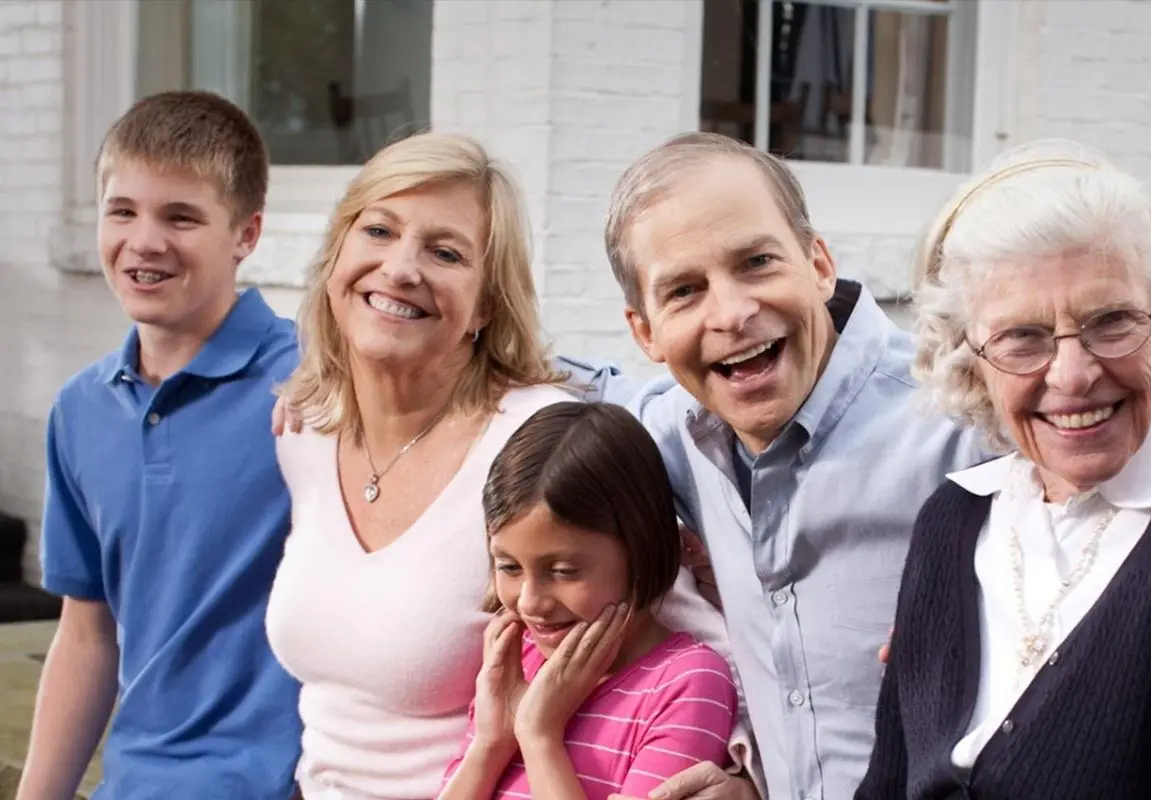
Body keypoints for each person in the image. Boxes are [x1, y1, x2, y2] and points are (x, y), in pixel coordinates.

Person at [263, 132, 741, 800]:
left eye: (445, 252)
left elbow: (682, 632)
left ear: (487, 303)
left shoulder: (532, 438)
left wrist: (744, 778)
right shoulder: (307, 431)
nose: (401, 269)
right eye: (378, 230)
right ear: (337, 253)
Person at [596, 132, 990, 800]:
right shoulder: (669, 433)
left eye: (756, 262)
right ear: (646, 332)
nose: (732, 312)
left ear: (819, 264)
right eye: (685, 291)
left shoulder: (965, 418)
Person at [855, 143, 1151, 798]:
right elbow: (887, 784)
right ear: (967, 357)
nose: (1073, 373)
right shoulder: (954, 519)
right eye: (1023, 337)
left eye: (1112, 321)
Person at [18, 92, 302, 799]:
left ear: (247, 233)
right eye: (123, 211)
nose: (144, 241)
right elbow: (87, 635)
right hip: (138, 783)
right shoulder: (82, 410)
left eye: (181, 216)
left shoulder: (315, 384)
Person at [440, 402, 738, 799]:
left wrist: (539, 735)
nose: (530, 603)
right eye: (509, 567)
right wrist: (491, 745)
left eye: (563, 571)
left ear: (640, 550)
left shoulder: (687, 684)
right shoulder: (518, 660)